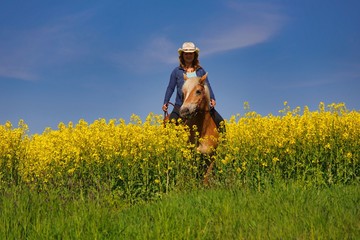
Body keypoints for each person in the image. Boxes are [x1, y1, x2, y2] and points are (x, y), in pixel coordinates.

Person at [162, 41, 224, 131]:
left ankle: (223, 143)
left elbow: (207, 85)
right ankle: (173, 144)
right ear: (182, 55)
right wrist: (166, 101)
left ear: (194, 55)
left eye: (191, 53)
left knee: (220, 122)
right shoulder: (176, 71)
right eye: (186, 54)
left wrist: (212, 98)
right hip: (181, 105)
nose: (188, 56)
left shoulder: (200, 71)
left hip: (200, 106)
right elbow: (170, 88)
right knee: (171, 123)